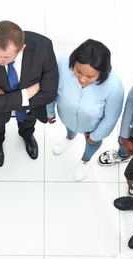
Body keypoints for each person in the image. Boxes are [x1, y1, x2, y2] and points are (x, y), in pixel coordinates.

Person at [0, 20, 58, 167]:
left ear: (21, 49)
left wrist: (4, 97)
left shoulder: (43, 47)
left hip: (30, 107)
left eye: (5, 57)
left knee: (28, 123)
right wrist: (27, 93)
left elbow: (49, 92)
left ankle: (27, 137)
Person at [47, 40, 124, 181]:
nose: (82, 79)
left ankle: (85, 160)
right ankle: (70, 137)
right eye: (78, 71)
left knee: (91, 144)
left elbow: (111, 117)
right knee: (69, 127)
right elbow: (52, 89)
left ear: (102, 72)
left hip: (92, 127)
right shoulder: (62, 65)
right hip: (67, 115)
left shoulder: (114, 86)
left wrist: (96, 136)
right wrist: (49, 111)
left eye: (90, 77)